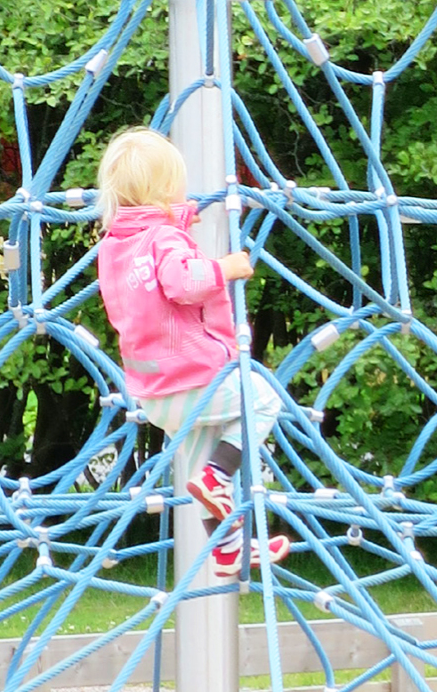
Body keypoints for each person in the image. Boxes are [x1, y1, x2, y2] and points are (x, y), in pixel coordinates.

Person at [96, 127, 290, 576]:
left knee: (201, 452)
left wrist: (179, 221)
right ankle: (220, 475)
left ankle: (228, 548)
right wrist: (225, 267)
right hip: (193, 375)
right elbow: (182, 284)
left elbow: (149, 267)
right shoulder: (166, 241)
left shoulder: (114, 247)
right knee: (263, 399)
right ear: (166, 191)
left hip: (152, 393)